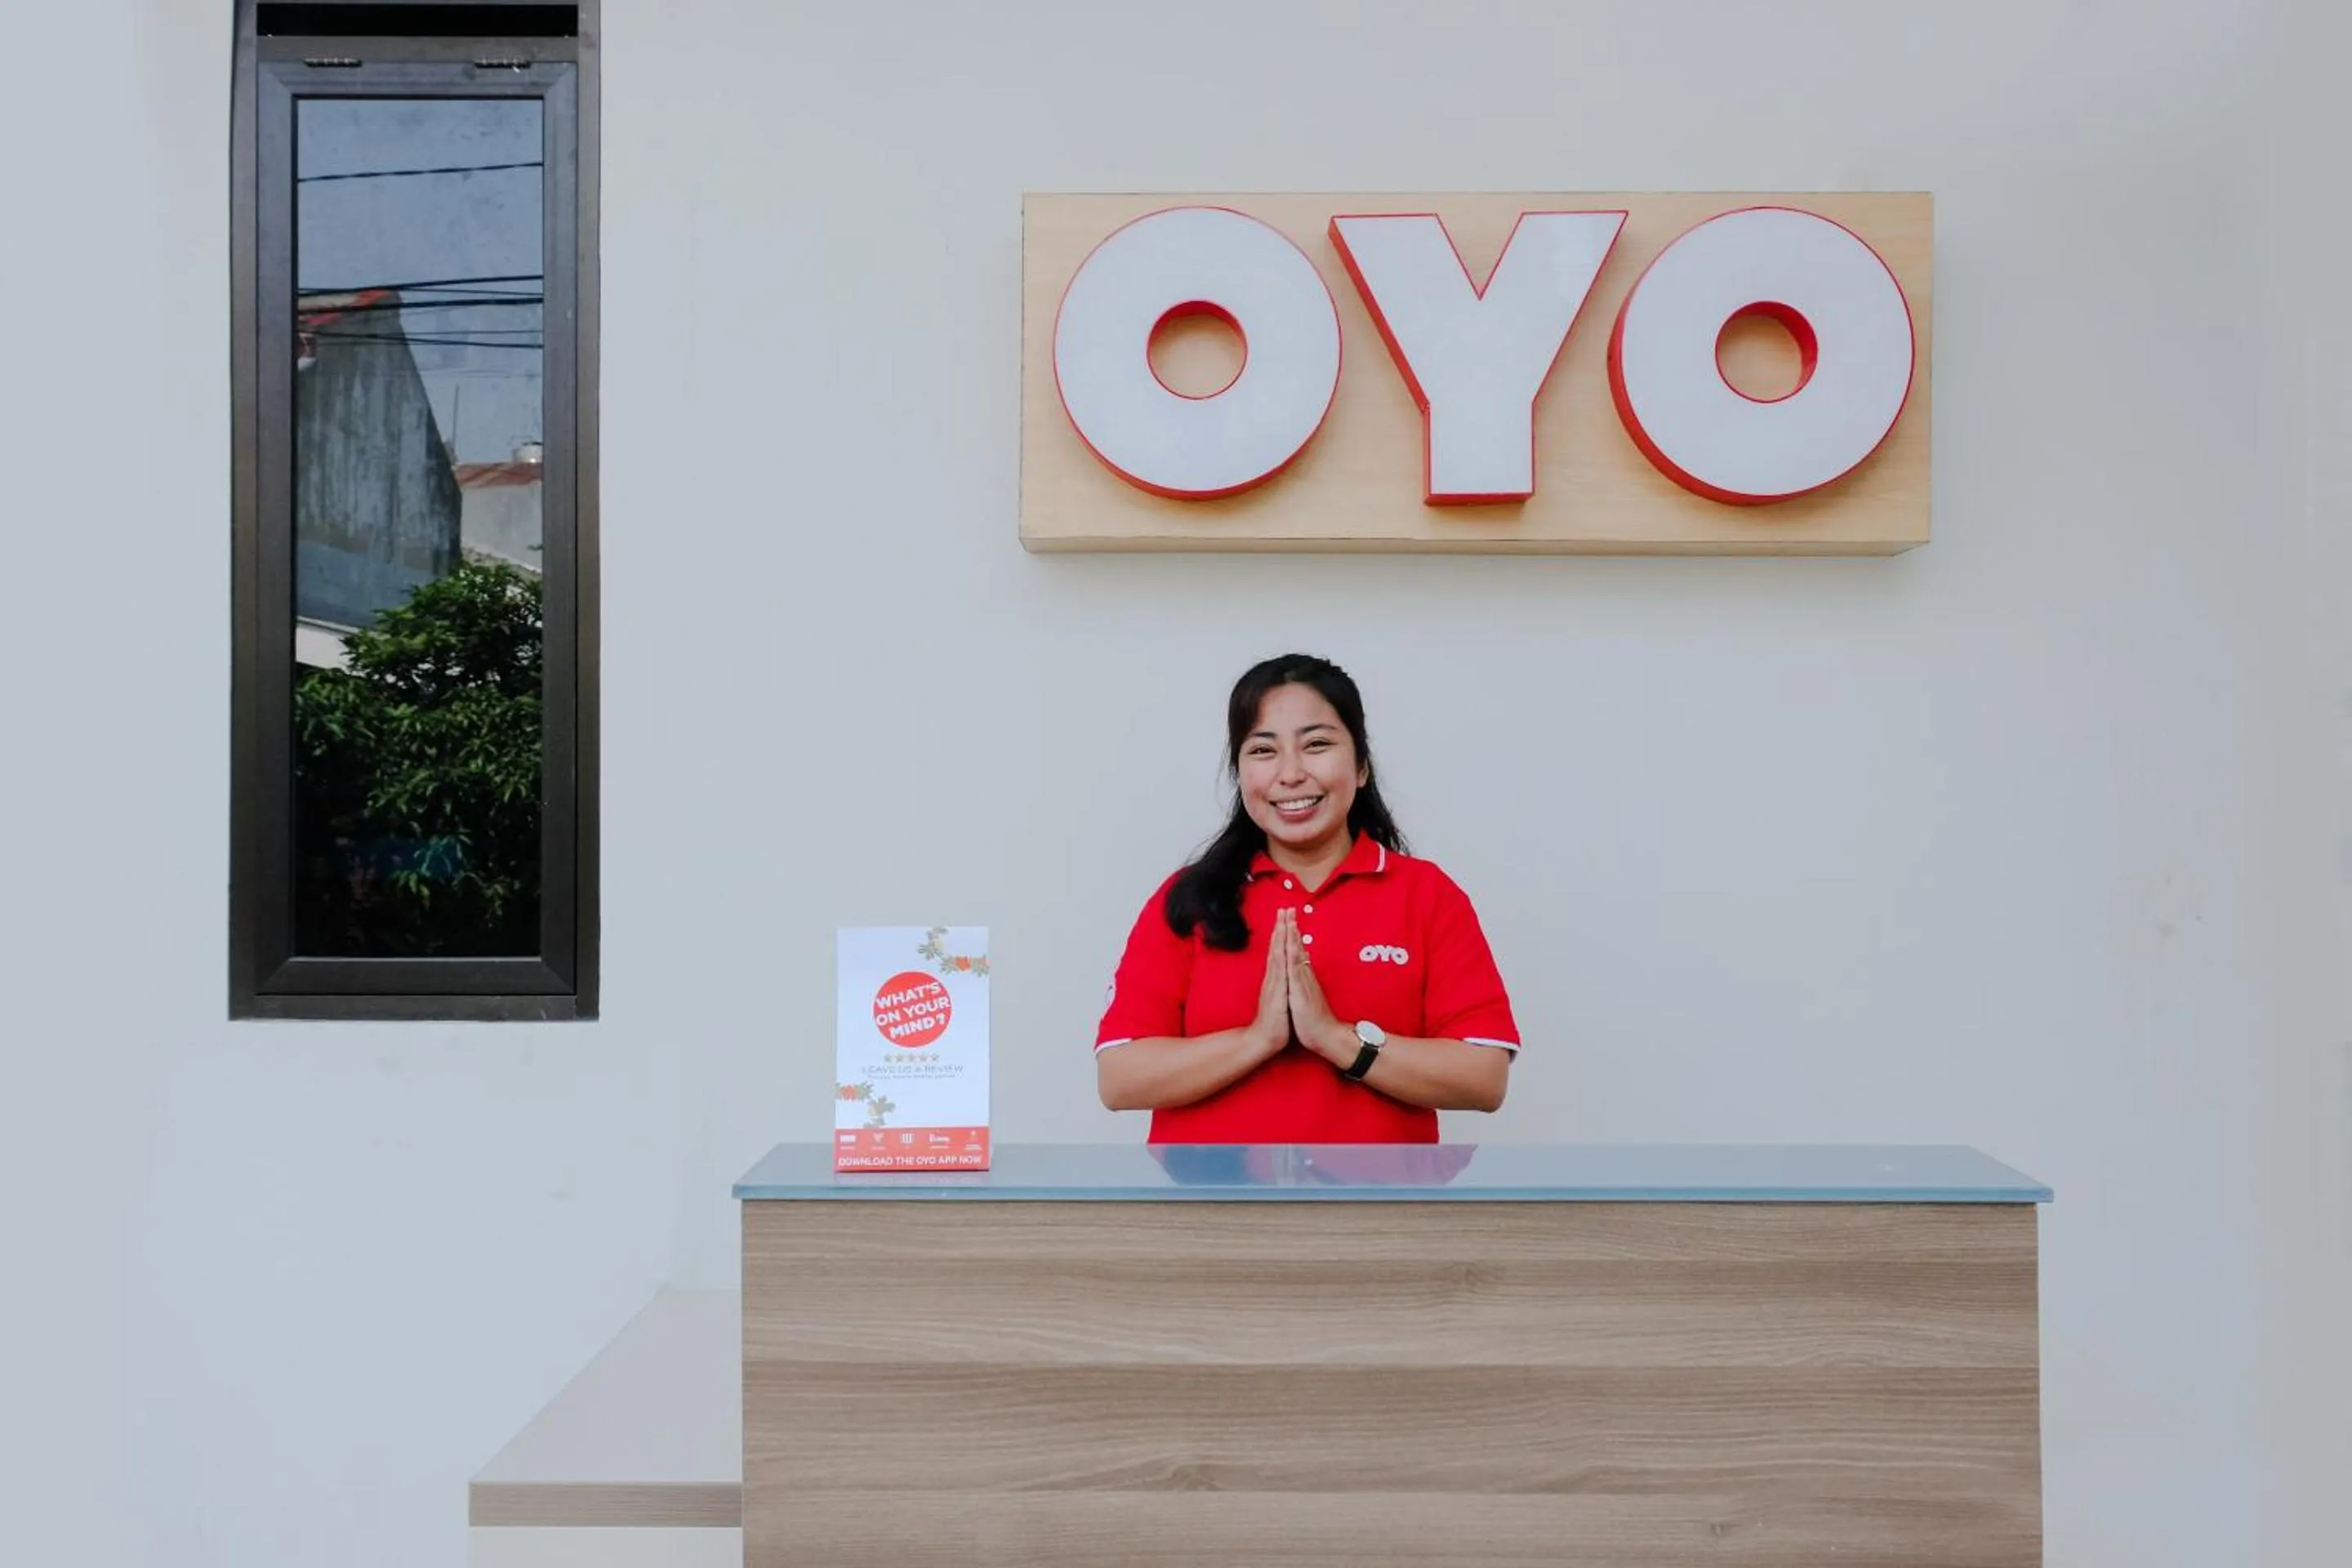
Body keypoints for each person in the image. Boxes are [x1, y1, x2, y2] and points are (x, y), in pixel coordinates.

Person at [1095, 653, 1521, 1143]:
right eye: (1263, 751)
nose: (1291, 774)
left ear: (1361, 766)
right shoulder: (1187, 899)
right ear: (1240, 773)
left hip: (1385, 1214)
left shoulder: (1427, 896)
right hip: (1207, 1215)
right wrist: (1258, 1040)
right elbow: (1120, 1078)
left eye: (1316, 745)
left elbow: (1484, 1078)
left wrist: (1335, 1039)